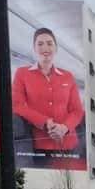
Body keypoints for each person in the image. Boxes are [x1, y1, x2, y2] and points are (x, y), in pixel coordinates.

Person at [11, 28, 85, 168]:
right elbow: (17, 105)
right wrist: (45, 122)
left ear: (56, 48)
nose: (45, 47)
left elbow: (77, 110)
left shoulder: (67, 76)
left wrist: (64, 127)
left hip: (69, 145)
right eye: (40, 44)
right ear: (34, 48)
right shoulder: (22, 74)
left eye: (50, 43)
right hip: (39, 145)